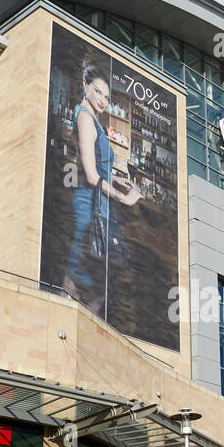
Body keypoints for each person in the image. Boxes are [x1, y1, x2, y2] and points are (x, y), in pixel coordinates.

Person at [62, 58, 142, 316]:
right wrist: (124, 198)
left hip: (97, 202)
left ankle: (81, 315)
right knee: (84, 265)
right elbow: (91, 174)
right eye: (97, 91)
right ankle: (70, 316)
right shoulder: (86, 119)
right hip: (89, 201)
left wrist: (118, 179)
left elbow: (98, 166)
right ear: (85, 85)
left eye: (107, 97)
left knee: (96, 266)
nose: (102, 100)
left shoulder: (93, 120)